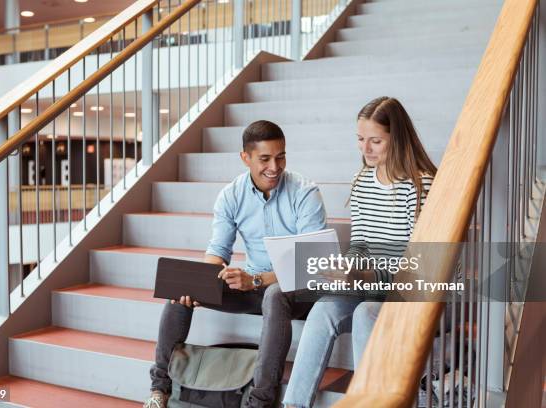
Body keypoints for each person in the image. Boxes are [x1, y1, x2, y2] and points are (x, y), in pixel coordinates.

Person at [145, 120, 327, 408]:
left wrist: (256, 280)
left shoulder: (304, 192)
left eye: (280, 157)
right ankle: (160, 391)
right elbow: (218, 250)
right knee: (179, 294)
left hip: (298, 289)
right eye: (265, 159)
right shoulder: (231, 195)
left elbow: (311, 263)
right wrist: (203, 280)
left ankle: (260, 401)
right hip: (254, 286)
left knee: (275, 294)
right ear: (245, 158)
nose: (275, 166)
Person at [282, 96, 437, 408]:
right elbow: (360, 243)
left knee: (366, 312)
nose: (365, 149)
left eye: (375, 141)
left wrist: (366, 274)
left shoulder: (420, 186)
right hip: (369, 283)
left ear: (398, 138)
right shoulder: (363, 181)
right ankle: (294, 405)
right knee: (323, 309)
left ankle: (370, 401)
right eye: (360, 140)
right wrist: (345, 268)